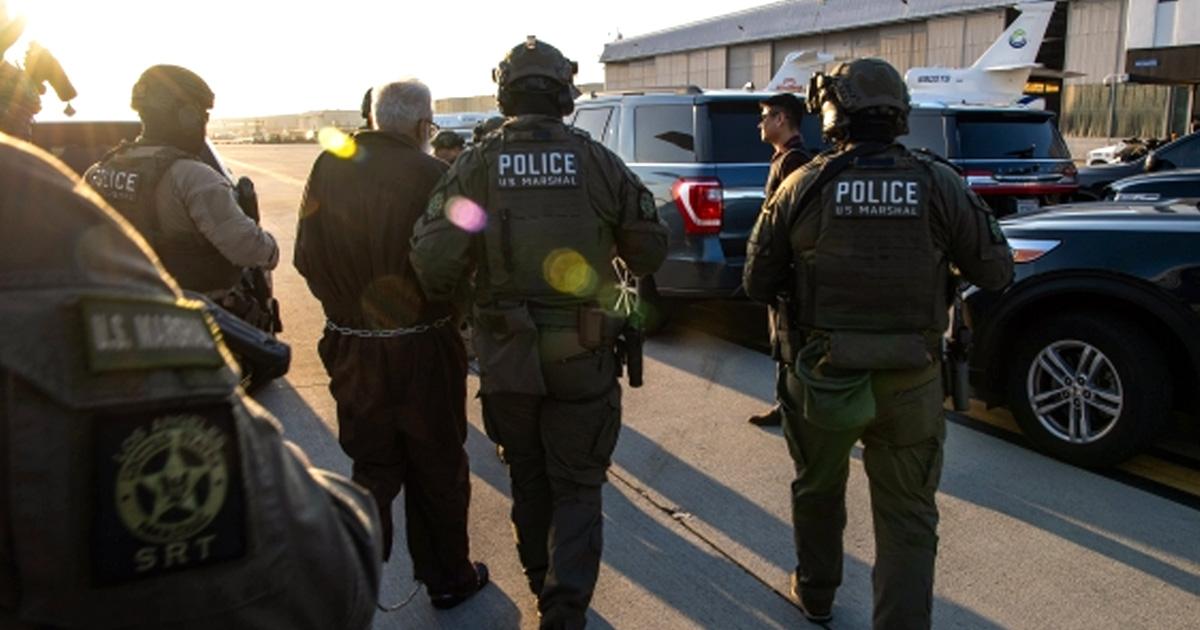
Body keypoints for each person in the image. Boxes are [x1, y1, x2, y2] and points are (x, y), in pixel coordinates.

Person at [0, 132, 382, 629]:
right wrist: (266, 246)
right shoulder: (177, 178)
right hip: (185, 328)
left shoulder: (102, 171)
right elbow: (324, 576)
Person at [743, 58, 1013, 628]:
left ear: (832, 114)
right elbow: (995, 272)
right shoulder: (939, 183)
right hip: (911, 379)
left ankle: (816, 593)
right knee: (908, 517)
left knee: (818, 490)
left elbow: (757, 282)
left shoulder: (802, 184)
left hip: (822, 377)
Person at [410, 37, 667, 629]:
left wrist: (474, 298)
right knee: (577, 485)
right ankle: (564, 608)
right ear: (563, 94)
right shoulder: (596, 161)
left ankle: (539, 583)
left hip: (508, 354)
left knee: (527, 477)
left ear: (505, 94)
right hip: (583, 350)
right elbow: (649, 250)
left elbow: (434, 261)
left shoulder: (478, 165)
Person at [294, 79, 488, 610]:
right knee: (437, 464)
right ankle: (448, 578)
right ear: (424, 125)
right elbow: (467, 254)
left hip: (352, 346)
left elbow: (305, 256)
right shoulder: (435, 175)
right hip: (424, 347)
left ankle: (350, 585)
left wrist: (346, 310)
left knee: (372, 467)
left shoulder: (327, 168)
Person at [84, 65, 278, 302]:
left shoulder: (98, 172)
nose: (203, 123)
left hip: (122, 306)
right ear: (187, 116)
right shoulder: (193, 177)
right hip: (190, 313)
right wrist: (271, 247)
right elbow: (248, 249)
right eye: (203, 114)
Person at [747, 91, 814, 427]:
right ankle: (786, 405)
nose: (760, 124)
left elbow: (788, 223)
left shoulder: (794, 162)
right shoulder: (785, 158)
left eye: (765, 116)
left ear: (781, 118)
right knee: (783, 340)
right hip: (784, 268)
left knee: (790, 341)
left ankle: (793, 409)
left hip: (789, 270)